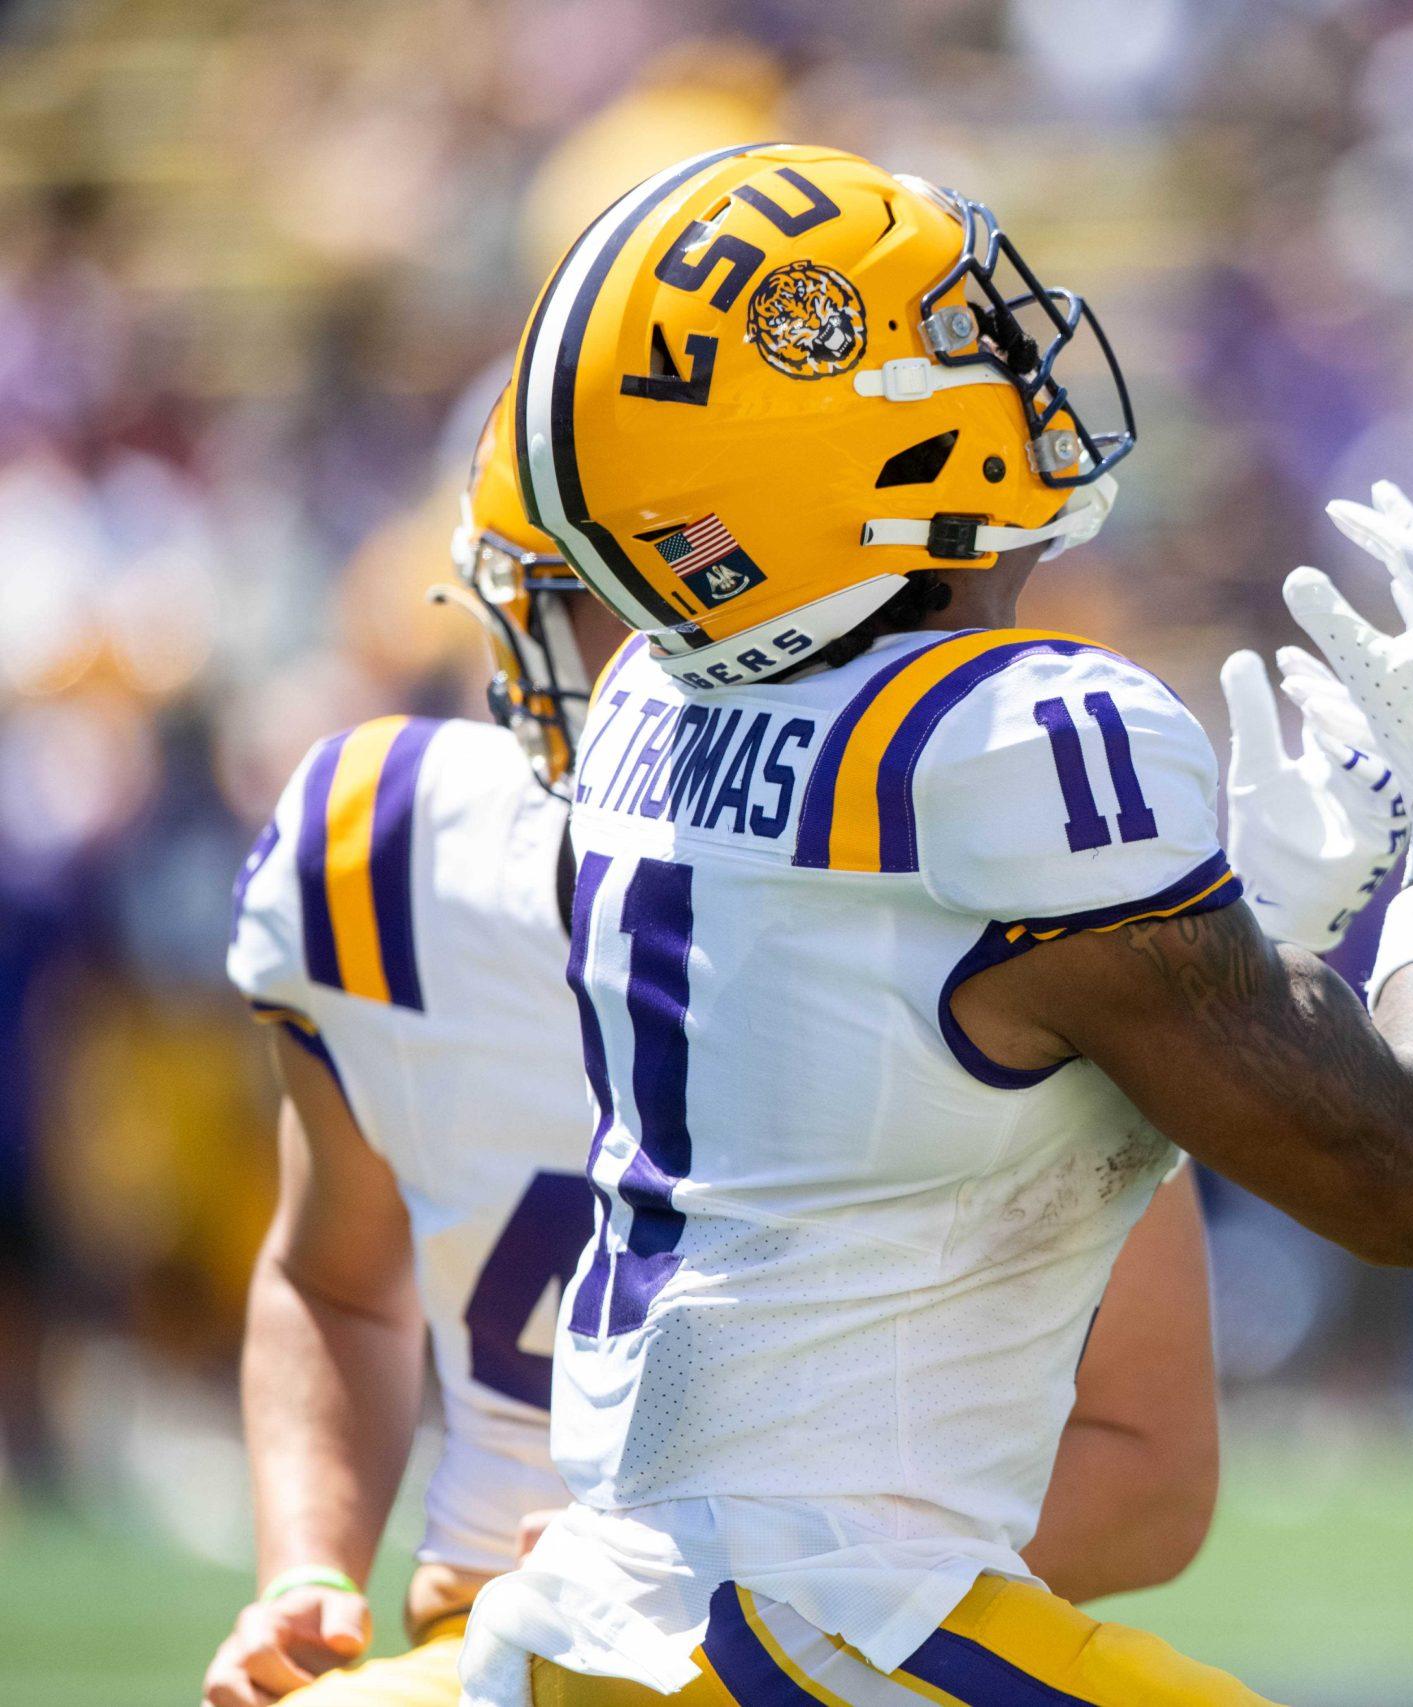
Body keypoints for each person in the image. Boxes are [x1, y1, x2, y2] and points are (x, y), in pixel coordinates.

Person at [454, 144, 1413, 1707]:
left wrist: (1260, 921)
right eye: (952, 344)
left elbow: (944, 1076)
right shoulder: (1021, 735)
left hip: (613, 1618)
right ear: (843, 459)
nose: (1010, 368)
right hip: (821, 1626)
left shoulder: (639, 707)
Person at [203, 372, 1302, 1707]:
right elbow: (333, 1278)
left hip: (848, 1644)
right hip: (487, 1649)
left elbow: (1144, 1462)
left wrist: (708, 1582)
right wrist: (308, 1568)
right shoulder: (381, 857)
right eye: (581, 595)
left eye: (653, 598)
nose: (627, 664)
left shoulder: (970, 860)